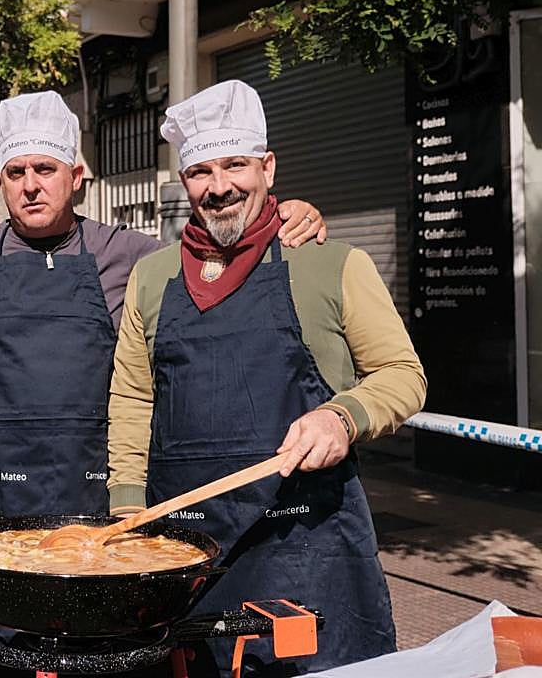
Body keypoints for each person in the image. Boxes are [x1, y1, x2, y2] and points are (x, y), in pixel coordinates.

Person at [0, 91, 326, 678]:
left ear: (76, 176)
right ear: (0, 183)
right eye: (16, 173)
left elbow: (223, 246)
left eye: (45, 169)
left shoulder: (134, 257)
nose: (31, 186)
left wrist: (288, 213)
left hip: (101, 510)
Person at [109, 80, 426, 675]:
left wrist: (342, 417)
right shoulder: (151, 278)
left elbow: (403, 374)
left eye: (236, 165)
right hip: (187, 554)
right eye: (200, 171)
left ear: (268, 167)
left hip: (306, 548)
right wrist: (128, 508)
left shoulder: (331, 263)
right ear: (185, 183)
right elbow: (132, 398)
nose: (219, 186)